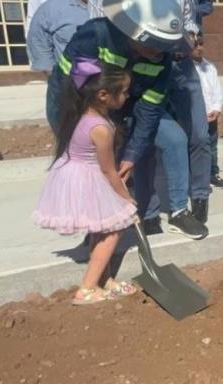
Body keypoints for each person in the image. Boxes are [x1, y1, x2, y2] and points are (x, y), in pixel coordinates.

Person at [49, 0, 208, 240]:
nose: (161, 52)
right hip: (80, 107)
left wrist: (131, 155)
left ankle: (177, 212)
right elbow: (70, 91)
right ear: (135, 31)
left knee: (174, 139)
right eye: (156, 45)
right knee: (95, 164)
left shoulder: (161, 60)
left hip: (129, 103)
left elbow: (150, 109)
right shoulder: (95, 36)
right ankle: (95, 226)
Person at [88, 0, 212, 236]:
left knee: (197, 134)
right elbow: (98, 29)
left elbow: (188, 22)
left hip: (177, 66)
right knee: (141, 137)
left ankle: (196, 199)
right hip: (131, 73)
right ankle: (149, 211)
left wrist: (189, 41)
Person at [32, 60, 139, 305]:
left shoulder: (81, 114)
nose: (126, 96)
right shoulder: (101, 127)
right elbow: (108, 170)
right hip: (89, 178)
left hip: (76, 173)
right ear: (103, 95)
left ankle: (105, 279)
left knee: (100, 228)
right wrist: (126, 198)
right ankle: (87, 289)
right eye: (123, 91)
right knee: (113, 230)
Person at [27, 0, 103, 73]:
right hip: (69, 83)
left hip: (109, 83)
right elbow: (38, 41)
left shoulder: (113, 7)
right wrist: (52, 75)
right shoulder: (51, 8)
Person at [191, 33, 223, 192]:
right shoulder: (186, 69)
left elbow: (216, 91)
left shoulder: (209, 67)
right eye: (194, 46)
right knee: (198, 148)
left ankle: (213, 173)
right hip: (195, 117)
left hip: (211, 115)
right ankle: (200, 179)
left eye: (201, 44)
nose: (199, 49)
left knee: (212, 146)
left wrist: (216, 109)